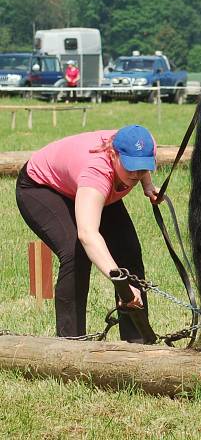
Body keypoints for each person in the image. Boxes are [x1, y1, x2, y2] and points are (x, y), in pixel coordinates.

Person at [15, 125, 161, 341]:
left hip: (86, 185)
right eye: (131, 168)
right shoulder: (96, 173)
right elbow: (88, 234)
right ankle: (71, 346)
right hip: (42, 187)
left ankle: (137, 343)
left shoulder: (145, 143)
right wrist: (122, 284)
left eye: (141, 169)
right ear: (113, 155)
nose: (135, 174)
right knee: (76, 254)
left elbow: (141, 162)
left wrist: (147, 185)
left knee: (128, 251)